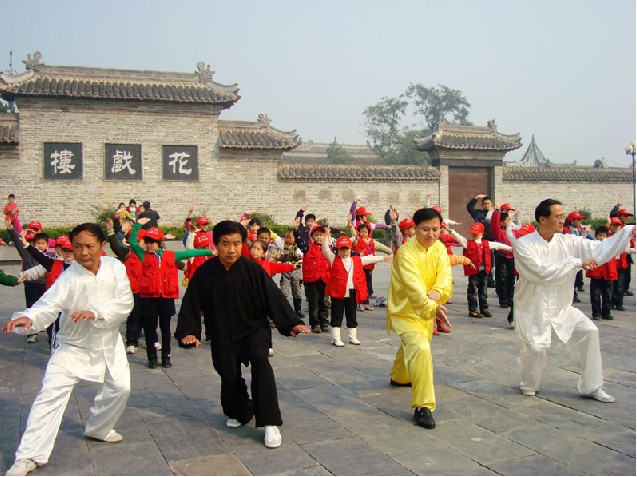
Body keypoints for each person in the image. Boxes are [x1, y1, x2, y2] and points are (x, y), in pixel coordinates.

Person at [2, 223, 134, 477]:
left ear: (102, 246)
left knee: (120, 388)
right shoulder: (68, 277)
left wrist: (96, 313)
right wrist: (29, 318)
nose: (83, 252)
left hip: (108, 342)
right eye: (77, 247)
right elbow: (49, 304)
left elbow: (125, 301)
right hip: (73, 345)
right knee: (49, 395)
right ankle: (29, 455)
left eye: (89, 246)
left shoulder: (115, 268)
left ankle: (98, 428)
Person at [174, 220, 310, 449]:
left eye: (236, 244)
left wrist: (291, 322)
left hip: (253, 328)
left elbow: (273, 296)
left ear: (242, 244)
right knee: (227, 372)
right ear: (216, 245)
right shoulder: (205, 272)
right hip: (221, 331)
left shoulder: (252, 269)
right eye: (225, 244)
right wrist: (189, 331)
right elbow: (191, 302)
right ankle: (240, 411)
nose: (231, 249)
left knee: (260, 360)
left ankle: (269, 421)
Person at [510, 199, 635, 402]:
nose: (563, 220)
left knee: (589, 331)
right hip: (533, 307)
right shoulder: (524, 244)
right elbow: (541, 273)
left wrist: (628, 231)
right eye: (558, 216)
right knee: (535, 349)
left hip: (561, 306)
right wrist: (575, 262)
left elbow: (599, 249)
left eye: (563, 216)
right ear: (543, 219)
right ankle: (529, 384)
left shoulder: (569, 241)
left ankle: (592, 386)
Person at [387, 208, 453, 430]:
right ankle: (423, 406)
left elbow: (445, 277)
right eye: (425, 229)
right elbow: (414, 288)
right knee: (421, 348)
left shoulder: (440, 248)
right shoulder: (405, 253)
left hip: (427, 310)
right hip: (405, 312)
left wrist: (439, 292)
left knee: (413, 346)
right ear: (415, 229)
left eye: (435, 229)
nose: (431, 234)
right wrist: (433, 307)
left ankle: (399, 376)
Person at [129, 219, 213, 368]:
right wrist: (138, 225)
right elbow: (133, 243)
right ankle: (152, 358)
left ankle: (166, 357)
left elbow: (190, 252)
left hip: (165, 298)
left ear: (160, 243)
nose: (149, 245)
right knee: (150, 329)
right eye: (147, 241)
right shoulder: (144, 256)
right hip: (149, 297)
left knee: (165, 329)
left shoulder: (170, 256)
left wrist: (210, 252)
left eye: (152, 242)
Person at [322, 233, 390, 347]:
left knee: (352, 314)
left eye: (347, 249)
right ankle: (336, 338)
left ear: (350, 249)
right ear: (337, 250)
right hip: (338, 293)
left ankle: (352, 337)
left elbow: (368, 259)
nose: (344, 252)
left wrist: (383, 258)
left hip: (352, 292)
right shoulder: (334, 259)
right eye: (342, 249)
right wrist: (325, 237)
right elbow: (325, 250)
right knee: (337, 315)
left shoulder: (356, 260)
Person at [586, 227, 619, 321]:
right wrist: (585, 233)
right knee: (595, 295)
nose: (601, 238)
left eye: (603, 236)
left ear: (607, 236)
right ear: (595, 236)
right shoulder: (592, 245)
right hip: (596, 273)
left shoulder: (611, 246)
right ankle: (596, 313)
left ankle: (606, 313)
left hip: (608, 273)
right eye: (599, 235)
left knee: (608, 295)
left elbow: (623, 248)